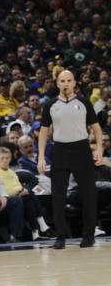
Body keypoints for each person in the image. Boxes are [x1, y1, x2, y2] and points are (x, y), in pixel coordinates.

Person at [38, 70, 104, 249]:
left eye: (69, 80)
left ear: (74, 83)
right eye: (62, 81)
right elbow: (43, 132)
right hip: (60, 150)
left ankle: (88, 235)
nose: (66, 84)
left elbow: (97, 129)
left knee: (89, 194)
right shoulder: (50, 105)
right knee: (58, 196)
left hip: (81, 150)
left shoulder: (84, 102)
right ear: (57, 83)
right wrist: (41, 157)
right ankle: (60, 237)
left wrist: (99, 149)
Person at [0, 147, 52, 241]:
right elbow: (3, 189)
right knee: (29, 196)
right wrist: (19, 191)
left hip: (16, 197)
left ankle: (36, 234)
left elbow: (17, 185)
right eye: (2, 158)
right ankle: (42, 226)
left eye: (7, 158)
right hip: (2, 200)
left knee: (29, 199)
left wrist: (23, 190)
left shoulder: (11, 171)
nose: (5, 160)